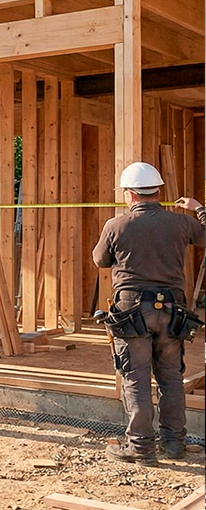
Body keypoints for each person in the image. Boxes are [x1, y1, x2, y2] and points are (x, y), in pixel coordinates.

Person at [92, 162, 205, 466]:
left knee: (136, 377)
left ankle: (140, 447)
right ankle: (174, 444)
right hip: (173, 311)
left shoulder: (116, 225)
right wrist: (199, 209)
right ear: (157, 191)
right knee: (171, 378)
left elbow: (100, 260)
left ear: (129, 194)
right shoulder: (180, 223)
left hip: (132, 312)